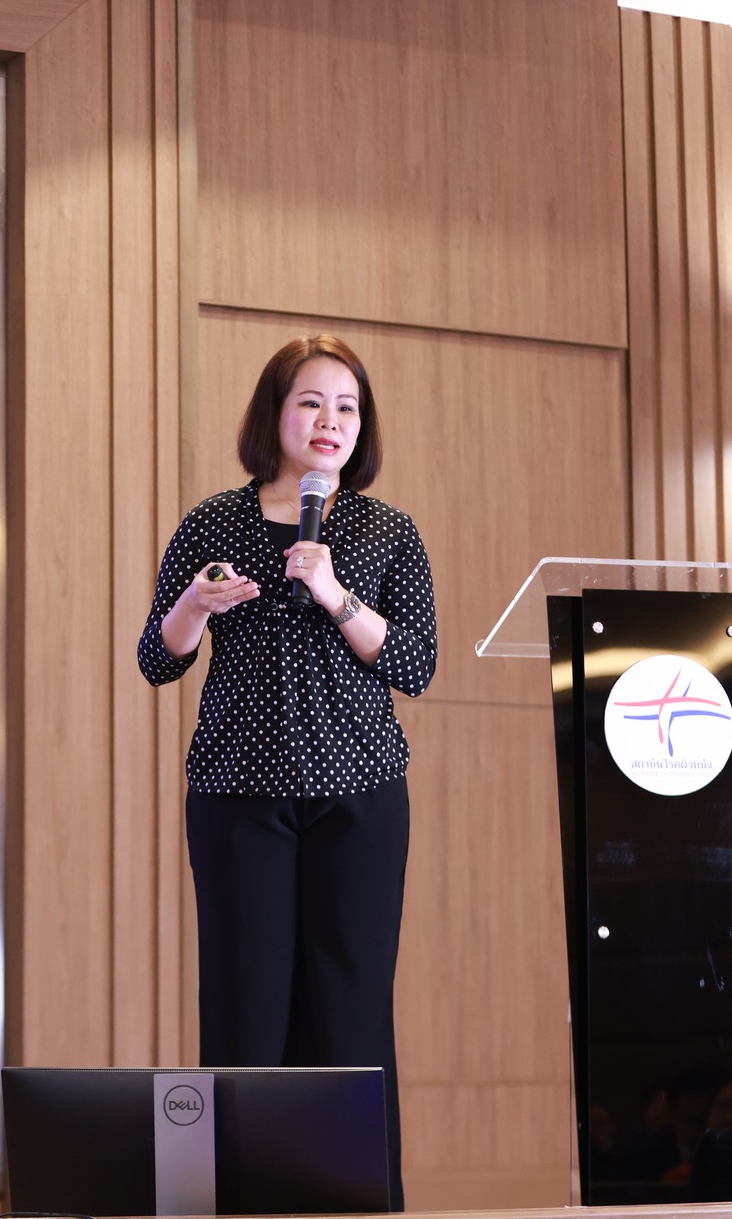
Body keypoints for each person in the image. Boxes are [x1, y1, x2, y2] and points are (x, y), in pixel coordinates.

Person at [137, 334, 437, 1210]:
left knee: (350, 1014)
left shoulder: (387, 532)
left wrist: (339, 595)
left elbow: (415, 664)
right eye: (311, 402)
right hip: (240, 796)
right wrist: (194, 604)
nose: (330, 421)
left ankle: (355, 1202)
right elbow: (158, 658)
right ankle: (236, 1203)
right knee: (247, 1012)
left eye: (347, 407)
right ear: (275, 414)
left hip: (360, 798)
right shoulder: (214, 523)